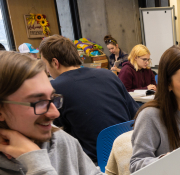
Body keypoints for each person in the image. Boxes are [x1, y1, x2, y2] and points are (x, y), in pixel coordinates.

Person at [40, 35, 139, 164]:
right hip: (130, 153)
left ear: (55, 62)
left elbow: (56, 135)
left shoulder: (54, 89)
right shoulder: (108, 75)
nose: (47, 71)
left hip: (94, 165)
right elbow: (135, 113)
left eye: (45, 64)